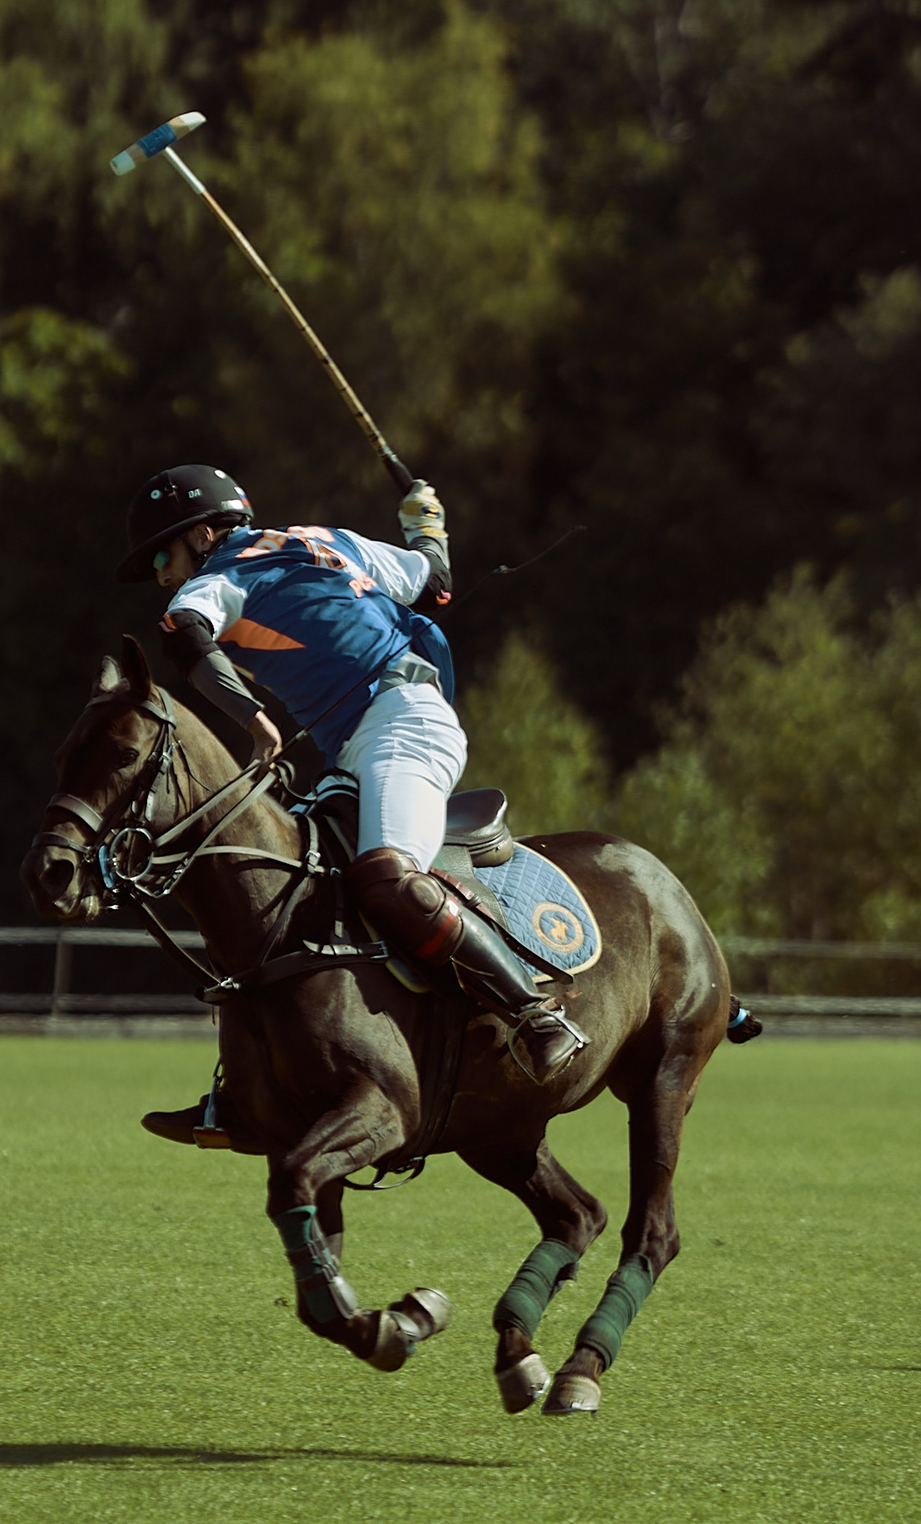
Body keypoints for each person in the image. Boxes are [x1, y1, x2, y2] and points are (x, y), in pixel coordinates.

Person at [114, 465, 588, 1138]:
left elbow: (183, 633)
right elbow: (435, 583)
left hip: (404, 724)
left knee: (389, 877)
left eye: (162, 555)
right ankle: (245, 1087)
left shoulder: (222, 578)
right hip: (363, 741)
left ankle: (534, 1015)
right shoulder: (328, 539)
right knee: (281, 900)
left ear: (201, 533)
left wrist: (250, 717)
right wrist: (426, 526)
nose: (163, 574)